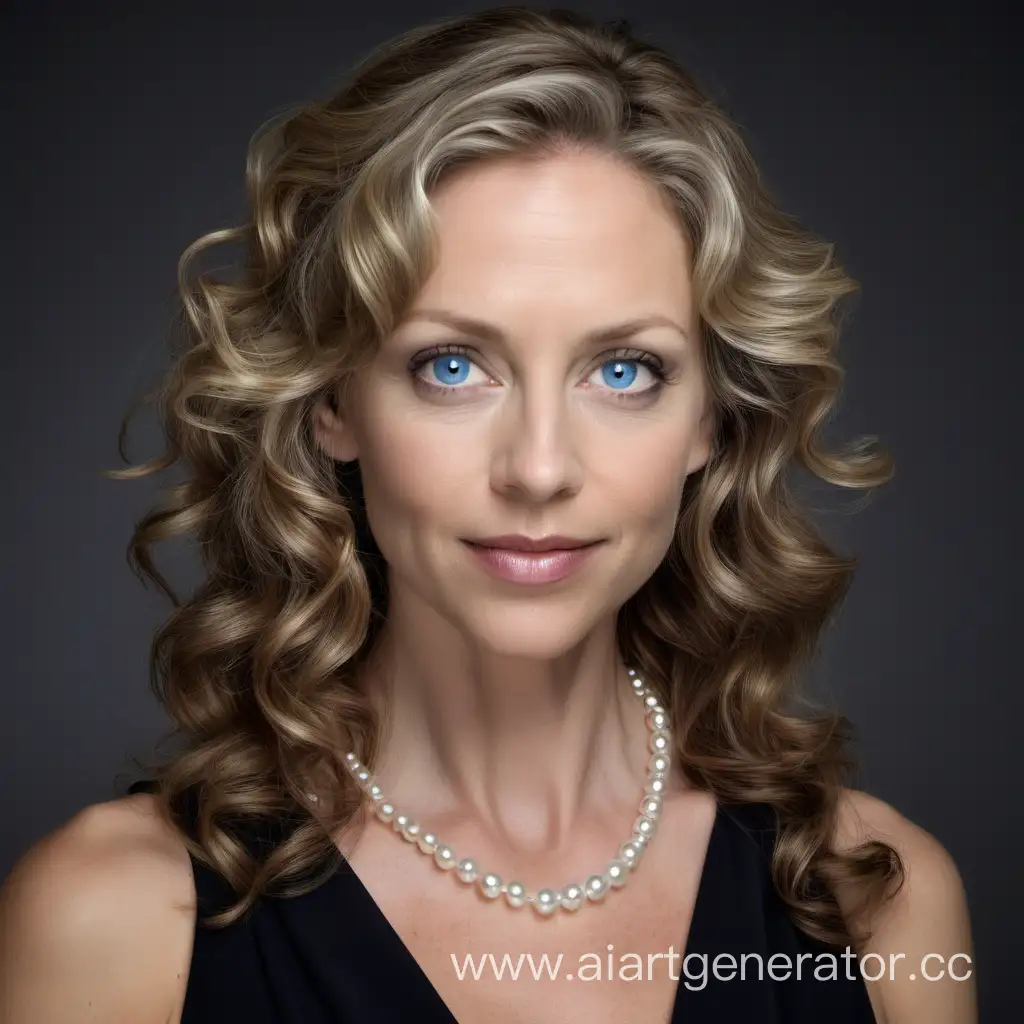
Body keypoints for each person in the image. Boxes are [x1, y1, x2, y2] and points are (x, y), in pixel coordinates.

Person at [0, 7, 975, 1023]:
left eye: (624, 368)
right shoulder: (111, 920)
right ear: (334, 402)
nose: (540, 468)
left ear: (709, 421)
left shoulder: (875, 903)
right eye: (452, 366)